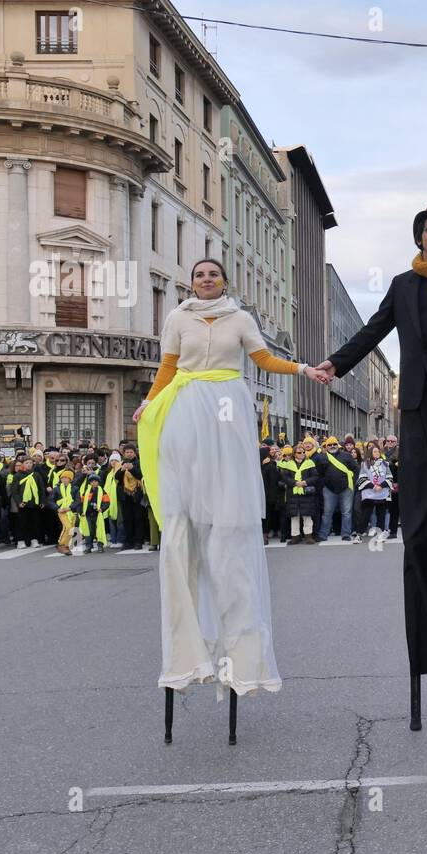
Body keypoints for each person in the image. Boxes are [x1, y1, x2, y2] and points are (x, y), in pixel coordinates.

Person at [313, 202, 427, 735]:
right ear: (419, 237)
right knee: (418, 530)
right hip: (415, 405)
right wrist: (336, 362)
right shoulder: (403, 283)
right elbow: (373, 331)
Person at [133, 258, 313, 728]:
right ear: (191, 283)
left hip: (229, 402)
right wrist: (149, 403)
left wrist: (303, 369)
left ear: (224, 283)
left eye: (213, 275)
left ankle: (239, 652)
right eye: (199, 275)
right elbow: (168, 368)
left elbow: (264, 361)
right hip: (188, 403)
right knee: (185, 513)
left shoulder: (240, 318)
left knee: (229, 512)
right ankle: (189, 651)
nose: (206, 280)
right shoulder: (178, 318)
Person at [313, 437, 357, 542]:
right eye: (330, 445)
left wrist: (352, 481)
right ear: (326, 446)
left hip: (346, 489)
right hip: (329, 490)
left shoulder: (346, 456)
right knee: (327, 513)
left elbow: (355, 469)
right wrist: (324, 484)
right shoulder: (321, 458)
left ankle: (346, 534)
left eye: (334, 444)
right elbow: (318, 473)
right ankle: (323, 534)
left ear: (338, 445)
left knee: (346, 512)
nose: (332, 446)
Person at [285, 443, 322, 545]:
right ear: (294, 454)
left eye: (303, 452)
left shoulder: (309, 463)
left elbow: (315, 476)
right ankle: (295, 537)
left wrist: (305, 482)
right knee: (294, 516)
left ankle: (308, 537)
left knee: (307, 516)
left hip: (306, 494)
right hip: (293, 494)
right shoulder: (288, 464)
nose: (302, 454)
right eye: (299, 452)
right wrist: (295, 483)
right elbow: (285, 477)